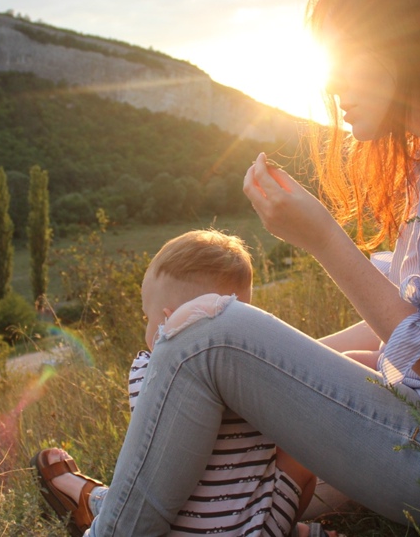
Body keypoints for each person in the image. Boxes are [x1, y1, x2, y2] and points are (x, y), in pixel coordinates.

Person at [37, 0, 420, 536]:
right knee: (292, 363)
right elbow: (419, 322)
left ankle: (106, 520)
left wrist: (323, 241)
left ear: (398, 50)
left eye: (345, 58)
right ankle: (114, 504)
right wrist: (267, 370)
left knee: (203, 331)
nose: (332, 85)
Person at [34, 229, 318, 536]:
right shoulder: (260, 373)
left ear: (166, 322)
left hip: (171, 529)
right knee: (300, 453)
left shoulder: (146, 370)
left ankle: (96, 502)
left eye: (147, 318)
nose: (146, 328)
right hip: (255, 532)